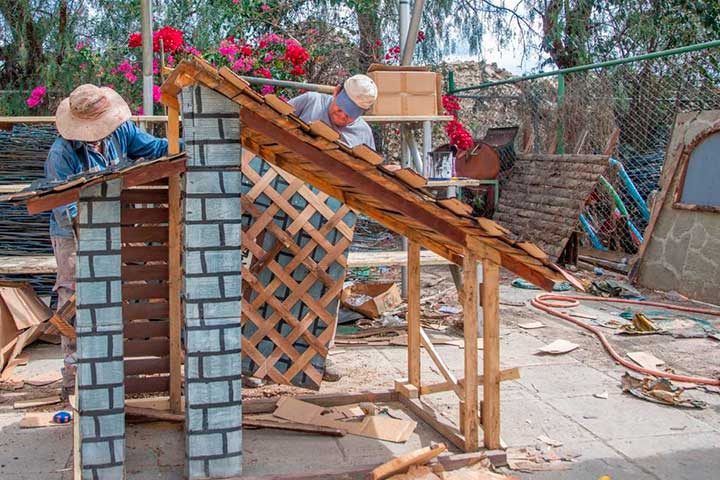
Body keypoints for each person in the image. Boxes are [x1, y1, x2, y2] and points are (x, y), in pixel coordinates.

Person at [47, 84, 172, 398]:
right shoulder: (62, 154)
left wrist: (193, 143)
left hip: (117, 224)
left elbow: (155, 149)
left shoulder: (121, 131)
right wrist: (96, 241)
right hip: (72, 234)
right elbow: (67, 210)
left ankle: (115, 371)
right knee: (74, 296)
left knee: (124, 292)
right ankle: (74, 377)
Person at [292, 75, 378, 381]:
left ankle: (318, 358)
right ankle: (262, 361)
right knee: (273, 280)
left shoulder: (363, 133)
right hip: (284, 208)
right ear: (335, 92)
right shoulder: (308, 103)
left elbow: (366, 177)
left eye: (349, 116)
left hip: (332, 219)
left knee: (325, 288)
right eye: (340, 110)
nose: (341, 118)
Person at [288, 74, 378, 149]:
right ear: (336, 91)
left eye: (350, 113)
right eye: (341, 108)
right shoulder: (311, 101)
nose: (343, 116)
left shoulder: (364, 133)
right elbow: (276, 119)